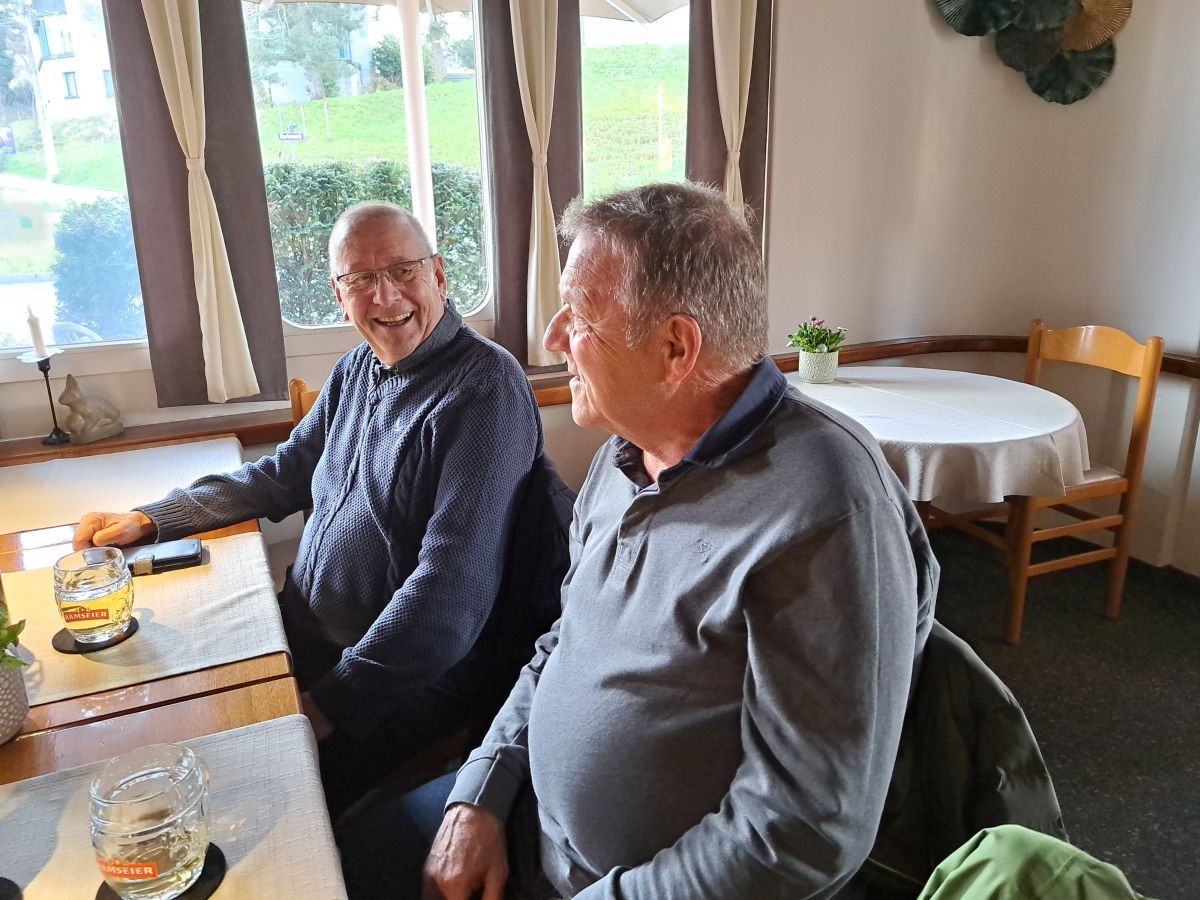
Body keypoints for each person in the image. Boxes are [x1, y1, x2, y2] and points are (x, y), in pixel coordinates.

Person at [344, 182, 938, 899]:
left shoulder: (830, 510)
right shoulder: (623, 457)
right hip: (530, 820)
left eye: (579, 316)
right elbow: (564, 641)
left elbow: (803, 830)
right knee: (329, 863)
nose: (552, 338)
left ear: (675, 347)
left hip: (636, 886)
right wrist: (482, 789)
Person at [74, 202, 557, 816]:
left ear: (437, 274)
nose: (386, 296)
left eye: (403, 270)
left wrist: (330, 705)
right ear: (339, 294)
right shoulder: (357, 368)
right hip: (301, 633)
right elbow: (280, 475)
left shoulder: (486, 388)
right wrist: (153, 518)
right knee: (147, 706)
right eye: (361, 279)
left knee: (230, 801)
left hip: (399, 677)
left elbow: (449, 596)